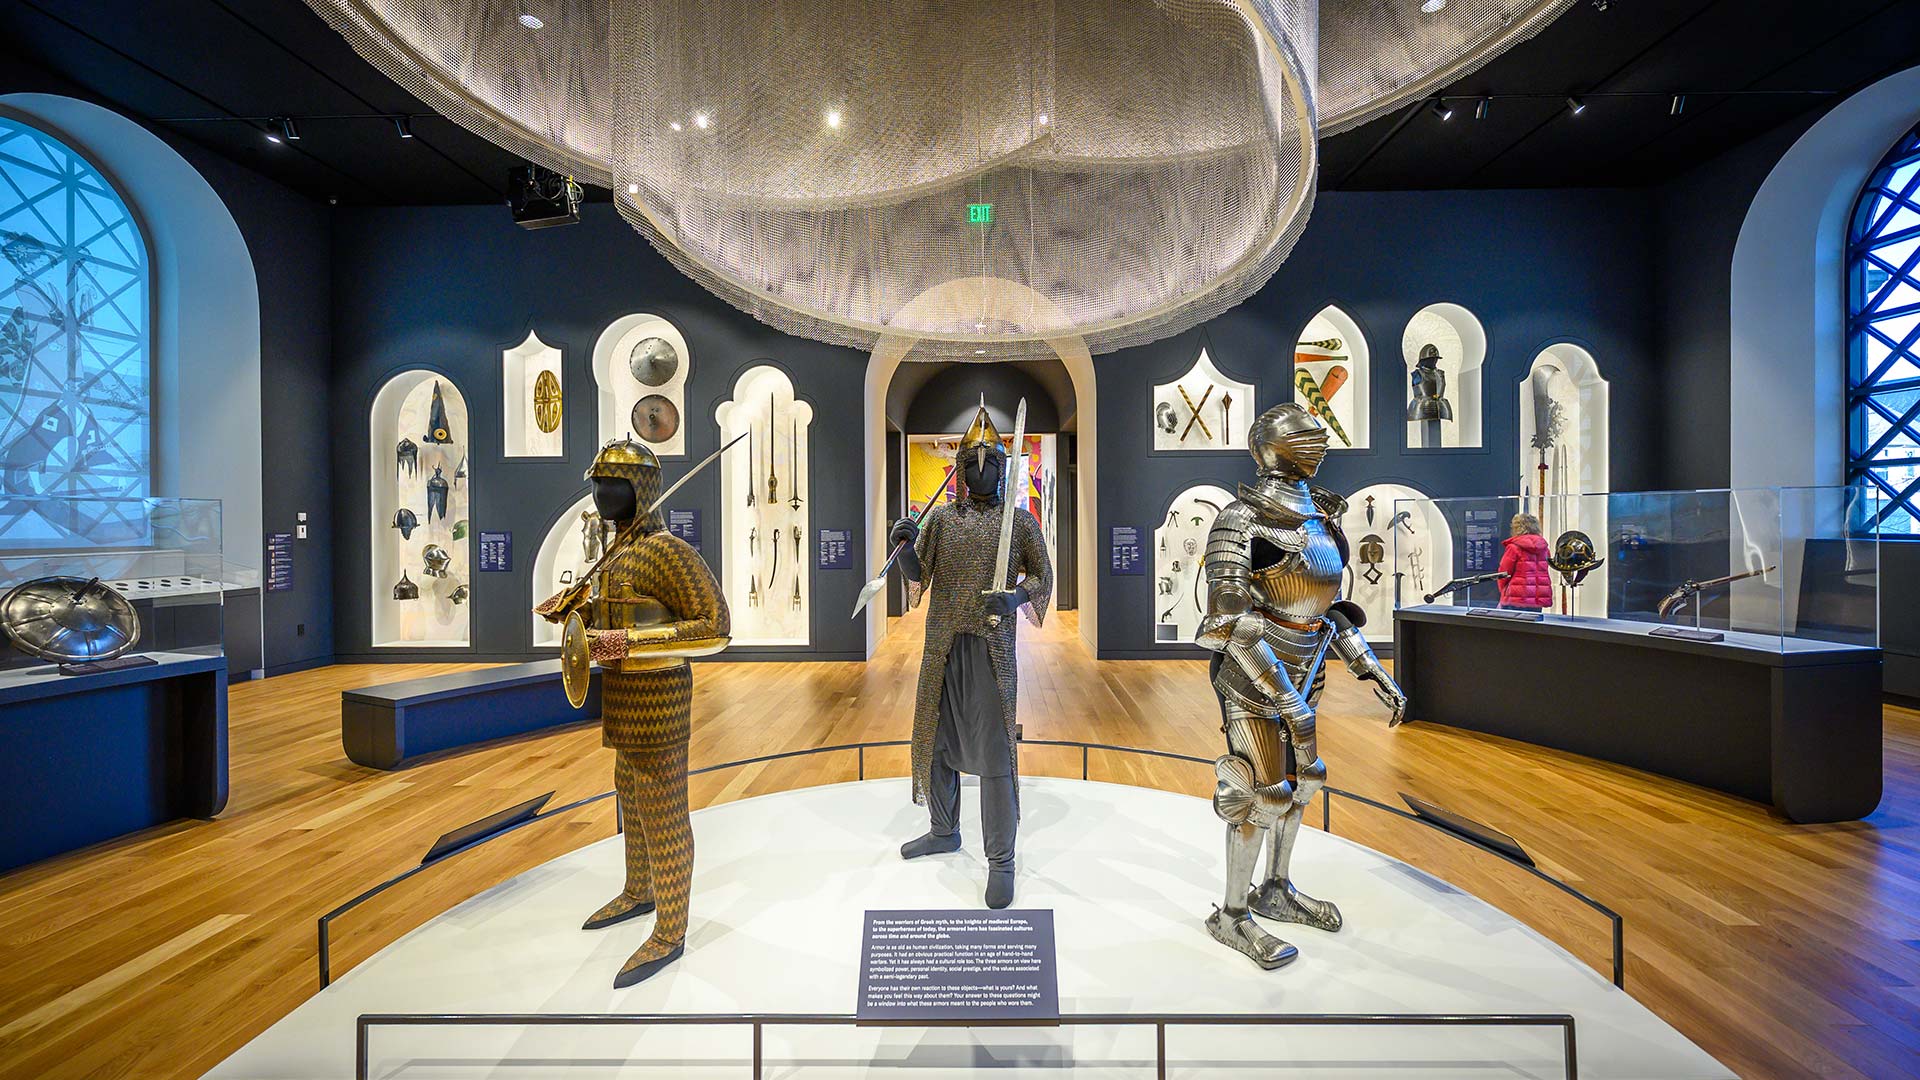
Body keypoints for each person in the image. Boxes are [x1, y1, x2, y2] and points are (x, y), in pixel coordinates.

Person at [1193, 402, 1407, 970]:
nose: (1318, 443)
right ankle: (1232, 914)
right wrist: (1284, 697)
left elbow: (1328, 612)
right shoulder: (1240, 519)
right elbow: (1230, 621)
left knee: (1306, 781)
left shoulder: (1321, 518)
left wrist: (1372, 669)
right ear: (1273, 446)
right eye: (1306, 435)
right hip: (1253, 675)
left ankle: (1277, 887)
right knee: (1263, 793)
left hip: (1306, 670)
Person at [535, 437, 730, 988]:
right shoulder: (615, 551)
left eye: (613, 484)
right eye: (598, 482)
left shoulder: (670, 552)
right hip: (623, 695)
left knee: (663, 810)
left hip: (659, 695)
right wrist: (577, 609)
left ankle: (670, 929)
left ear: (641, 489)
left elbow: (715, 627)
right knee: (631, 794)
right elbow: (619, 611)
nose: (601, 493)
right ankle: (640, 890)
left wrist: (625, 642)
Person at [889, 400, 1053, 909]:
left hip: (989, 645)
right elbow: (921, 576)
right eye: (972, 464)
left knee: (994, 751)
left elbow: (1043, 576)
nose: (981, 472)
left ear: (1001, 469)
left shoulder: (1019, 523)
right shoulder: (941, 519)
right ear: (960, 470)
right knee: (936, 739)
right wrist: (905, 550)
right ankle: (944, 829)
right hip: (943, 641)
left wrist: (1016, 597)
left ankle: (1001, 860)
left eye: (989, 464)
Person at [1497, 513, 1553, 611]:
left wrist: (1504, 592)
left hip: (1516, 597)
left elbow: (1503, 573)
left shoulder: (1513, 547)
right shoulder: (1544, 548)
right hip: (1537, 599)